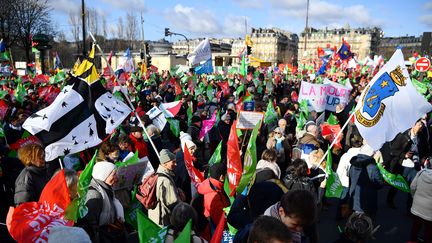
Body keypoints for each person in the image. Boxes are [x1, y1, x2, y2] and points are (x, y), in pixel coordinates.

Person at [80, 161, 127, 243]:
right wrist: (108, 228)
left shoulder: (106, 188)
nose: (116, 178)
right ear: (103, 175)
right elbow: (90, 227)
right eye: (113, 175)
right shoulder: (95, 195)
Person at [148, 149, 183, 227]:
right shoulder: (165, 180)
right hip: (163, 220)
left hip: (155, 217)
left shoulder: (157, 173)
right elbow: (172, 202)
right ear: (165, 163)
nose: (176, 164)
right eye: (173, 162)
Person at [349, 147, 384, 219]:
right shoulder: (372, 167)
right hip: (367, 200)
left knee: (355, 222)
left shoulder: (354, 164)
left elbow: (350, 177)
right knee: (365, 223)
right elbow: (379, 183)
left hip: (354, 198)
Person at [197, 163, 230, 231]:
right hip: (215, 228)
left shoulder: (212, 184)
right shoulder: (213, 195)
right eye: (226, 174)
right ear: (221, 177)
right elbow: (220, 220)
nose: (227, 176)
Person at [409, 159, 432, 243]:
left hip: (417, 205)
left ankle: (412, 241)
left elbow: (412, 187)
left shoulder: (421, 173)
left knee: (416, 225)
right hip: (430, 210)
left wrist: (414, 197)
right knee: (429, 229)